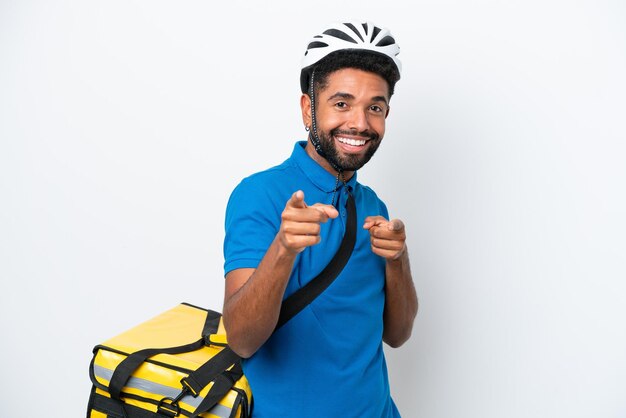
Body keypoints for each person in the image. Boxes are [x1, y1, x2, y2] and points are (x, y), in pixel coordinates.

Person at [222, 21, 418, 417]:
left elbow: (398, 335)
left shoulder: (374, 206)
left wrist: (398, 259)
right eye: (342, 103)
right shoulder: (259, 195)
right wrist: (283, 247)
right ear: (308, 108)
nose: (360, 124)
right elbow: (241, 340)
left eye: (374, 108)